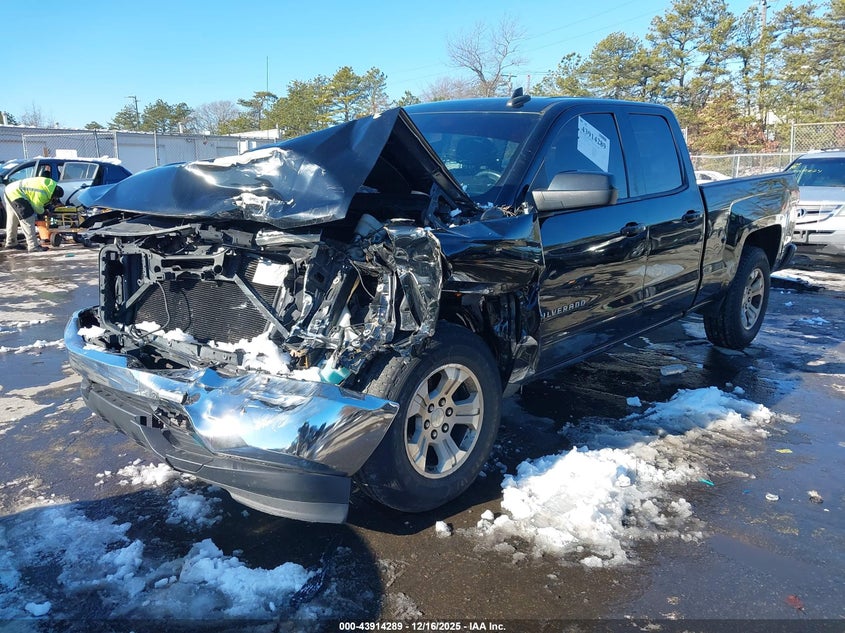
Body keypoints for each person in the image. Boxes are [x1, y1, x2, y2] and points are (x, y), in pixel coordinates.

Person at [3, 177, 63, 252]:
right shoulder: (42, 193)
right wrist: (45, 212)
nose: (55, 199)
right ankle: (33, 246)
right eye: (55, 198)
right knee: (28, 219)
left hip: (10, 190)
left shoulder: (49, 185)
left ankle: (11, 242)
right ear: (53, 195)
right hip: (17, 194)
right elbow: (37, 207)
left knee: (12, 219)